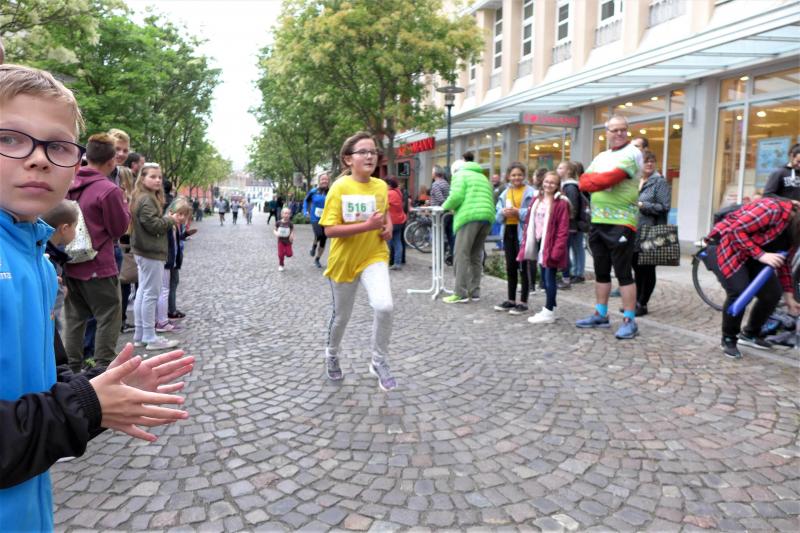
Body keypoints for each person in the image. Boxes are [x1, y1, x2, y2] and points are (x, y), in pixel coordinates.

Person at [0, 63, 193, 532]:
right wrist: (88, 402)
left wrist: (100, 386)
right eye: (11, 138)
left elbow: (39, 380)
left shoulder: (34, 255)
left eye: (58, 146)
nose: (38, 159)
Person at [319, 131, 397, 391]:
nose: (370, 156)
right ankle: (332, 354)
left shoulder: (381, 186)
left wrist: (388, 226)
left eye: (373, 151)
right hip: (345, 261)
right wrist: (366, 226)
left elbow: (384, 213)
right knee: (341, 317)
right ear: (348, 159)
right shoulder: (339, 188)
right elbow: (329, 230)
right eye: (363, 152)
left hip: (374, 255)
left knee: (384, 306)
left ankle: (379, 360)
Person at [62, 133, 131, 372]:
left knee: (74, 318)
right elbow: (118, 229)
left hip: (71, 262)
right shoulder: (108, 190)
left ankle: (71, 369)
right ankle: (103, 368)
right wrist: (125, 207)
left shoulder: (69, 184)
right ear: (111, 161)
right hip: (99, 263)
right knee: (109, 315)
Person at [705, 197, 800, 358]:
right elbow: (735, 231)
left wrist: (789, 296)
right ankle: (728, 338)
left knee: (772, 294)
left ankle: (750, 334)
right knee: (739, 291)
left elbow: (784, 262)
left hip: (752, 254)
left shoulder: (794, 233)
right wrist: (761, 255)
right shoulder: (771, 209)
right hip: (726, 246)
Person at [576, 114, 643, 339]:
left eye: (623, 129)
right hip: (598, 221)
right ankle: (601, 314)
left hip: (621, 222)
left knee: (623, 273)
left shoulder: (632, 153)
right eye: (615, 130)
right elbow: (583, 181)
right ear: (607, 133)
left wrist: (597, 181)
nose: (619, 133)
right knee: (601, 271)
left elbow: (610, 179)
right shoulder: (602, 156)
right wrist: (596, 181)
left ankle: (629, 320)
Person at [130, 163, 185, 351]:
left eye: (159, 177)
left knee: (143, 292)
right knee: (150, 294)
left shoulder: (142, 196)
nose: (158, 180)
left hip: (144, 251)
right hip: (150, 251)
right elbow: (153, 225)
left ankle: (140, 334)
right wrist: (171, 220)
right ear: (142, 178)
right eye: (152, 176)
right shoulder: (146, 199)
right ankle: (149, 336)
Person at [518, 171, 571, 324]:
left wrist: (557, 250)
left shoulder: (561, 203)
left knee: (549, 279)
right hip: (540, 242)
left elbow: (563, 229)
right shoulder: (537, 199)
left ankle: (548, 311)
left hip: (552, 245)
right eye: (547, 181)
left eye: (553, 182)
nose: (549, 185)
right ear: (542, 182)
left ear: (558, 185)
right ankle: (551, 308)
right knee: (544, 277)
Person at [441, 158, 496, 303]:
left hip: (469, 217)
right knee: (475, 255)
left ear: (454, 171)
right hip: (487, 217)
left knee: (461, 254)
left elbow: (456, 196)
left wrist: (444, 207)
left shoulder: (460, 175)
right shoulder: (482, 176)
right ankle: (474, 292)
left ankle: (460, 293)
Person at [631, 150, 671, 316]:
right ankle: (635, 301)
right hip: (634, 231)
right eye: (646, 161)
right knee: (636, 268)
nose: (649, 163)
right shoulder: (635, 180)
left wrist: (643, 205)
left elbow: (664, 206)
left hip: (652, 231)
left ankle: (642, 303)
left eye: (652, 161)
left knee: (647, 269)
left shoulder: (659, 182)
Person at [493, 163, 535, 315]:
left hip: (523, 232)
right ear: (508, 176)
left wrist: (519, 212)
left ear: (524, 175)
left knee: (523, 267)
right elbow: (497, 214)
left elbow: (534, 212)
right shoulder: (505, 193)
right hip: (508, 231)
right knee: (510, 267)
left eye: (519, 174)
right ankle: (511, 300)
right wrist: (502, 213)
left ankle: (523, 302)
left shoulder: (531, 192)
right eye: (513, 175)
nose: (517, 177)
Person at [156, 198, 193, 331]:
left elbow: (175, 243)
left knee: (164, 290)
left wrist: (184, 235)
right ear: (171, 212)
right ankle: (162, 321)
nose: (182, 218)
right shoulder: (167, 224)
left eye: (184, 215)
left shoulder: (174, 225)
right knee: (163, 291)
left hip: (170, 261)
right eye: (180, 214)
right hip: (165, 262)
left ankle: (161, 319)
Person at [42, 200, 79, 333]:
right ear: (65, 228)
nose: (76, 232)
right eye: (75, 227)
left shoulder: (46, 252)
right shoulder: (48, 261)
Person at [557, 160, 587, 289]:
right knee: (575, 248)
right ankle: (575, 272)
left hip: (573, 225)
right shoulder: (567, 185)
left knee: (577, 248)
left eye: (560, 168)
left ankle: (578, 273)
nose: (557, 170)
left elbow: (572, 207)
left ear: (568, 171)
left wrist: (570, 220)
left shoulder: (570, 187)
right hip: (572, 224)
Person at [304, 172, 330, 268]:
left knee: (323, 239)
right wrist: (305, 211)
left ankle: (317, 259)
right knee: (319, 234)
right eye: (322, 179)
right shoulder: (313, 191)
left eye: (326, 179)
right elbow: (306, 201)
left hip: (327, 218)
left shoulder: (331, 191)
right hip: (315, 217)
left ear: (328, 181)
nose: (324, 181)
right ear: (319, 181)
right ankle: (314, 246)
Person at [429, 165, 454, 263]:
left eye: (432, 171)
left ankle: (438, 261)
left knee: (437, 237)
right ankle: (453, 257)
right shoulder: (446, 183)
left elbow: (441, 199)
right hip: (448, 214)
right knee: (450, 236)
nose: (431, 173)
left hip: (439, 214)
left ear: (435, 173)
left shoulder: (436, 184)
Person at [387, 177, 407, 270]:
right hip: (400, 220)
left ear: (389, 184)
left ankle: (386, 262)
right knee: (397, 242)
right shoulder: (398, 192)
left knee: (388, 242)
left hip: (392, 221)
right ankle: (397, 263)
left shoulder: (389, 193)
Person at [274, 206, 295, 271]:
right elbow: (274, 230)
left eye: (288, 213)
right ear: (282, 214)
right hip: (281, 241)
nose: (287, 215)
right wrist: (276, 233)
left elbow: (292, 230)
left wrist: (292, 235)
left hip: (288, 241)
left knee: (289, 254)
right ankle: (281, 265)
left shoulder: (290, 223)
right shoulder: (278, 223)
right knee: (280, 254)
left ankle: (285, 252)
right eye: (285, 213)